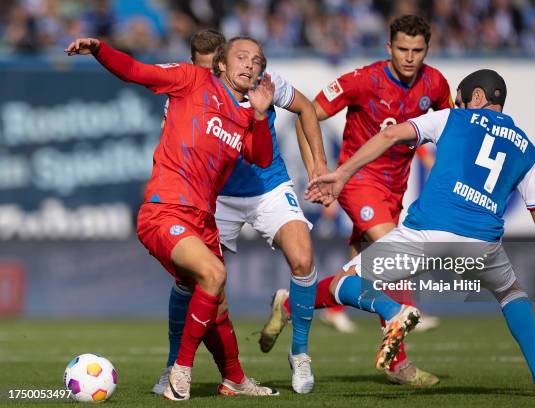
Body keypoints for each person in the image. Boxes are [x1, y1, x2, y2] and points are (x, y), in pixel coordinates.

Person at [305, 69, 535, 399]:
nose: (457, 104)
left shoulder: (452, 118)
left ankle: (393, 311)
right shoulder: (527, 149)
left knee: (343, 282)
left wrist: (342, 175)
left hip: (426, 235)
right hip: (482, 246)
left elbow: (390, 135)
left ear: (477, 97)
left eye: (461, 99)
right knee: (511, 293)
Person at [64, 36, 280, 400]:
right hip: (164, 210)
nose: (249, 65)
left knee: (215, 303)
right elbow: (135, 71)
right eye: (241, 57)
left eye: (256, 61)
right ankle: (180, 370)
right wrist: (100, 49)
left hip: (203, 220)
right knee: (213, 274)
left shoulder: (247, 115)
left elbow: (259, 157)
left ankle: (234, 379)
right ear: (222, 64)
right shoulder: (191, 80)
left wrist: (259, 114)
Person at [260, 14, 449, 386]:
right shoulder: (364, 80)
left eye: (417, 50)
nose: (410, 57)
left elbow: (451, 130)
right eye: (402, 49)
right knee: (397, 252)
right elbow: (306, 115)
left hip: (395, 189)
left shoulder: (436, 83)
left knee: (364, 275)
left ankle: (287, 304)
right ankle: (399, 355)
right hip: (358, 182)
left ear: (427, 50)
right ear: (388, 47)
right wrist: (318, 167)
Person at [152, 29, 328, 395]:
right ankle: (179, 366)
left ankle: (299, 354)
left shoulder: (262, 82)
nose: (206, 77)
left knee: (303, 256)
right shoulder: (184, 94)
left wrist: (319, 167)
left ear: (222, 61)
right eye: (199, 69)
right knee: (199, 285)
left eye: (210, 68)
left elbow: (307, 108)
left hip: (268, 187)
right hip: (215, 198)